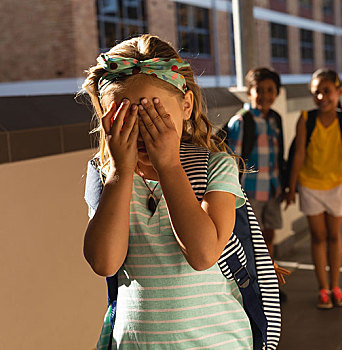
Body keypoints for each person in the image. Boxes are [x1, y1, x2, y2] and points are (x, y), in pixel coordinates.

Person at [82, 34, 254, 348]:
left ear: (186, 105)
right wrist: (120, 173)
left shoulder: (214, 167)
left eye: (152, 116)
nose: (142, 132)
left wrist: (170, 167)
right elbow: (104, 262)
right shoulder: (104, 175)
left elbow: (203, 255)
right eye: (126, 119)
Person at [286, 68, 342, 309]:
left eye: (327, 91)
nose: (322, 97)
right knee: (318, 236)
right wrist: (291, 187)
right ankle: (322, 288)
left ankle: (335, 286)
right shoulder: (306, 119)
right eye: (316, 93)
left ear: (339, 92)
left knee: (334, 236)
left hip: (336, 185)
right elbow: (299, 155)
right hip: (311, 185)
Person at [225, 67, 284, 258]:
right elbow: (234, 160)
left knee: (269, 236)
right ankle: (256, 285)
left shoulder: (275, 119)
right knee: (251, 240)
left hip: (272, 190)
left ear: (277, 93)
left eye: (270, 90)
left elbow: (278, 155)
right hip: (250, 192)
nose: (265, 95)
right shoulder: (241, 121)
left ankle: (271, 282)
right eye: (259, 90)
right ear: (249, 92)